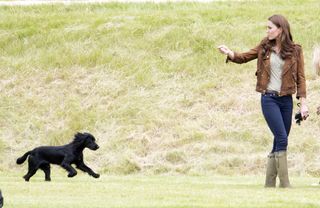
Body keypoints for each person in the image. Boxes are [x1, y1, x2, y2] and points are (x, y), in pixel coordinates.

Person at [218, 14, 308, 188]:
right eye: (266, 28)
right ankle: (285, 184)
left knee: (279, 140)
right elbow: (244, 57)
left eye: (270, 28)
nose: (267, 31)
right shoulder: (264, 47)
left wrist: (303, 104)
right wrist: (230, 53)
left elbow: (301, 78)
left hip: (286, 100)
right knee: (282, 138)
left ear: (280, 29)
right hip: (269, 99)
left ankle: (269, 183)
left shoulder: (296, 50)